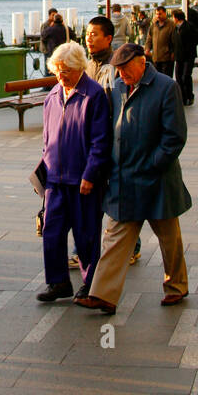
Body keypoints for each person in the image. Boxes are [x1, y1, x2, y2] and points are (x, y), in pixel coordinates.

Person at [75, 44, 190, 316]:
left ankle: (177, 285)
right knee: (115, 237)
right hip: (124, 179)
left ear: (142, 63)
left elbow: (174, 137)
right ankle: (102, 294)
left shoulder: (165, 87)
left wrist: (153, 164)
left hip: (157, 179)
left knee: (168, 237)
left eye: (126, 69)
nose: (122, 74)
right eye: (119, 69)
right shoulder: (116, 87)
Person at [36, 41, 111, 303]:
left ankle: (90, 283)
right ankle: (57, 282)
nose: (60, 76)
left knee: (86, 234)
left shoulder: (94, 95)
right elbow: (47, 138)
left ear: (79, 68)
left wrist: (91, 174)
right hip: (56, 178)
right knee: (52, 231)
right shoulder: (53, 96)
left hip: (83, 180)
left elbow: (100, 140)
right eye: (57, 70)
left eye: (65, 71)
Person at [85, 17, 141, 265]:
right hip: (92, 139)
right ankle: (84, 249)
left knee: (119, 194)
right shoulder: (88, 65)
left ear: (109, 38)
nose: (89, 38)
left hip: (115, 137)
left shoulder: (116, 66)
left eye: (95, 34)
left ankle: (132, 246)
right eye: (87, 33)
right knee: (90, 195)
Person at [172, 8, 198, 107]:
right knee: (178, 77)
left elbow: (196, 39)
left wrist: (189, 48)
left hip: (188, 56)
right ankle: (182, 98)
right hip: (179, 56)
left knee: (186, 76)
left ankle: (189, 96)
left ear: (177, 18)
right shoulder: (175, 28)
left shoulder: (189, 27)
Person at [144, 6, 176, 78]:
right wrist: (147, 48)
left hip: (167, 58)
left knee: (166, 78)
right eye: (157, 14)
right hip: (155, 58)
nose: (158, 16)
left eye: (160, 14)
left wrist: (173, 53)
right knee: (157, 78)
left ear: (165, 13)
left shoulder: (171, 25)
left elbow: (174, 40)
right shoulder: (154, 25)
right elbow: (149, 38)